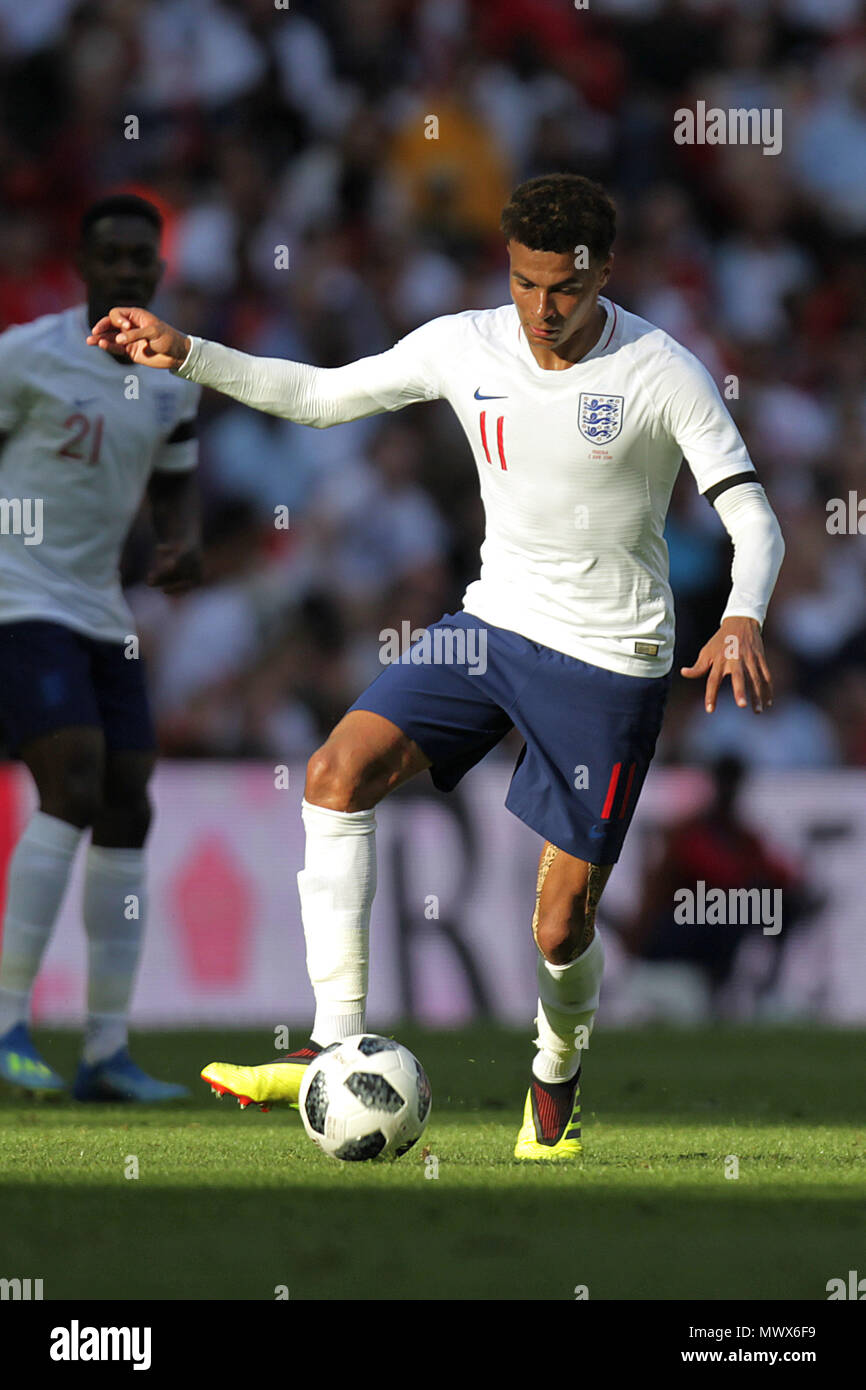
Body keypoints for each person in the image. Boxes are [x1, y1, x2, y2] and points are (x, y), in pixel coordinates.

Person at [88, 173, 784, 1157]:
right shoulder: (465, 343)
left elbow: (750, 515)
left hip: (609, 660)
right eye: (524, 283)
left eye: (564, 290)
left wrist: (741, 613)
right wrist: (186, 352)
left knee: (558, 927)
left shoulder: (660, 369)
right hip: (490, 626)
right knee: (335, 775)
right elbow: (323, 397)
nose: (542, 309)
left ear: (603, 275)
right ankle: (331, 1046)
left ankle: (553, 1075)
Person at [0, 194, 201, 1102]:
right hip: (18, 594)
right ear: (83, 267)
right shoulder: (23, 357)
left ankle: (106, 1053)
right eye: (112, 257)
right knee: (73, 781)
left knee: (129, 799)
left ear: (158, 271)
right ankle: (6, 1022)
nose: (128, 271)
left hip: (102, 609)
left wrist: (177, 541)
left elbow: (177, 469)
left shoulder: (169, 376)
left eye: (141, 259)